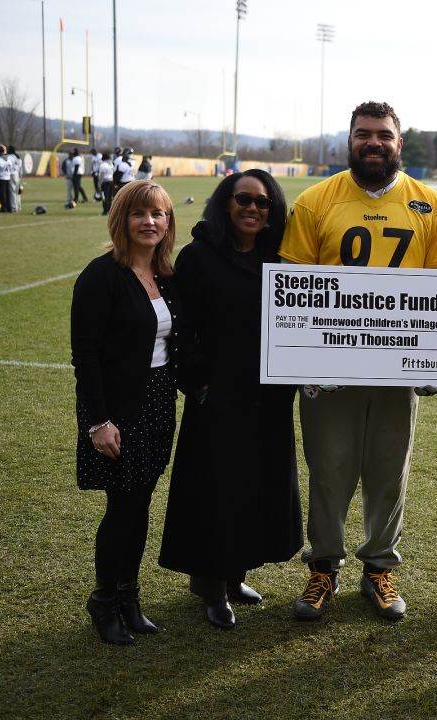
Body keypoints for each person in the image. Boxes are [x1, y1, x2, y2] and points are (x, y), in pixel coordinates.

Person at [279, 100, 437, 622]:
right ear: (350, 139)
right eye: (364, 134)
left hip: (398, 367)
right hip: (329, 368)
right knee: (329, 469)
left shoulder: (432, 205)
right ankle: (324, 567)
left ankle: (380, 567)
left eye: (383, 135)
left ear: (398, 143)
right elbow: (294, 286)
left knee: (389, 471)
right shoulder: (317, 201)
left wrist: (436, 362)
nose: (373, 143)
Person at [157, 169, 302, 630]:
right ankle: (212, 585)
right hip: (218, 395)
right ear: (225, 203)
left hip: (269, 397)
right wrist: (198, 381)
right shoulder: (199, 257)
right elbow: (182, 327)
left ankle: (236, 574)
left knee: (256, 487)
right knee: (215, 490)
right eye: (244, 199)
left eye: (263, 203)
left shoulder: (278, 259)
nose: (253, 209)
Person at [70, 181, 181, 645]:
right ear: (122, 220)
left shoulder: (166, 274)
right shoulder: (102, 274)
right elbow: (86, 354)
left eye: (158, 214)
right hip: (118, 408)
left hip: (159, 400)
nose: (149, 222)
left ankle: (130, 597)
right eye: (139, 214)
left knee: (141, 505)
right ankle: (104, 600)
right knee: (123, 507)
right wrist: (99, 421)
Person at [98, 151, 116, 216]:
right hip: (111, 181)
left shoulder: (103, 165)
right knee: (109, 197)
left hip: (105, 182)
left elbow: (102, 176)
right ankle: (110, 210)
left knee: (105, 197)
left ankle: (105, 211)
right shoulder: (111, 164)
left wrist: (99, 184)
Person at [6, 144, 23, 212]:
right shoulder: (17, 157)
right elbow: (20, 168)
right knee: (17, 192)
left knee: (12, 192)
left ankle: (13, 207)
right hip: (17, 175)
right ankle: (18, 206)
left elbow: (8, 165)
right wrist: (20, 176)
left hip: (11, 174)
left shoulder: (9, 157)